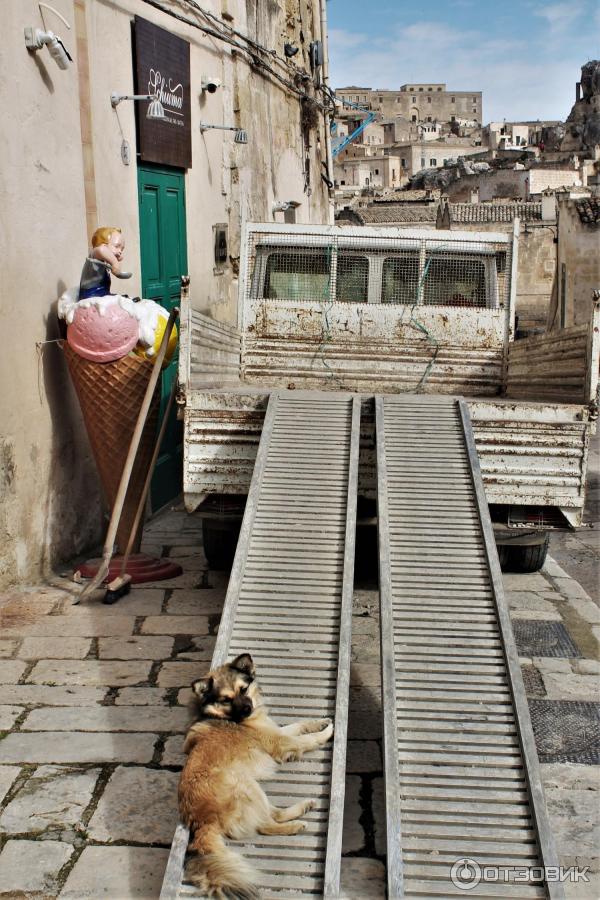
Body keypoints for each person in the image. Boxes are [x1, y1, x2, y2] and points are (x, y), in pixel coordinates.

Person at [79, 226, 132, 300]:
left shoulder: (104, 262)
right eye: (116, 246)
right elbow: (101, 250)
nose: (120, 251)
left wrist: (116, 261)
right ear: (103, 245)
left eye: (122, 249)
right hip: (90, 296)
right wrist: (115, 263)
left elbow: (116, 270)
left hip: (102, 294)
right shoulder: (95, 253)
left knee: (124, 299)